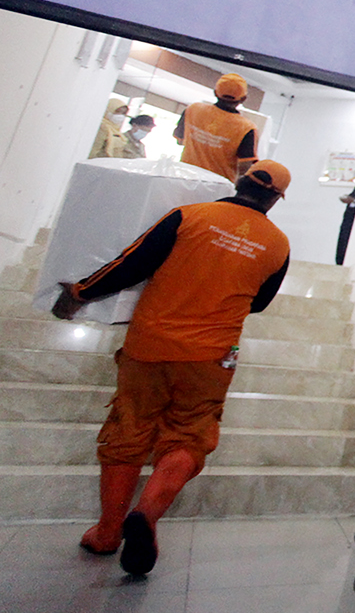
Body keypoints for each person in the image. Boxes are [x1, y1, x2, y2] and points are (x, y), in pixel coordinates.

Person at [51, 160, 292, 576]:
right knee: (190, 436)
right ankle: (146, 513)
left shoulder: (189, 216)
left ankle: (107, 533)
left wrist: (79, 292)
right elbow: (259, 303)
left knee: (128, 432)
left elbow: (131, 264)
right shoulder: (278, 245)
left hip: (150, 347)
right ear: (275, 200)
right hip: (212, 357)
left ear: (240, 181)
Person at [173, 73, 257, 181]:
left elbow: (180, 141)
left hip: (184, 178)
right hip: (217, 186)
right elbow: (245, 166)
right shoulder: (246, 128)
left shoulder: (192, 109)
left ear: (215, 92)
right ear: (243, 99)